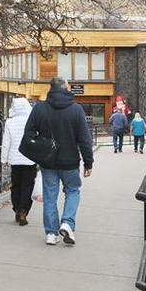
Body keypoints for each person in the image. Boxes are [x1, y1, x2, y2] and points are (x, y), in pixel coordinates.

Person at [23, 77, 93, 246]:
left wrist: (41, 149)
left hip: (48, 162)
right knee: (73, 191)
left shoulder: (40, 108)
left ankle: (51, 233)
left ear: (51, 89)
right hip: (70, 162)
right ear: (66, 88)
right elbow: (85, 139)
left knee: (50, 197)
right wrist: (88, 162)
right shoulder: (76, 110)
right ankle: (67, 223)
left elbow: (28, 134)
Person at [0, 97, 37, 226]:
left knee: (16, 185)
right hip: (30, 159)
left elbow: (6, 143)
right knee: (28, 186)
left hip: (15, 160)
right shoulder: (32, 121)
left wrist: (3, 159)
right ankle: (23, 210)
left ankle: (17, 208)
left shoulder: (10, 122)